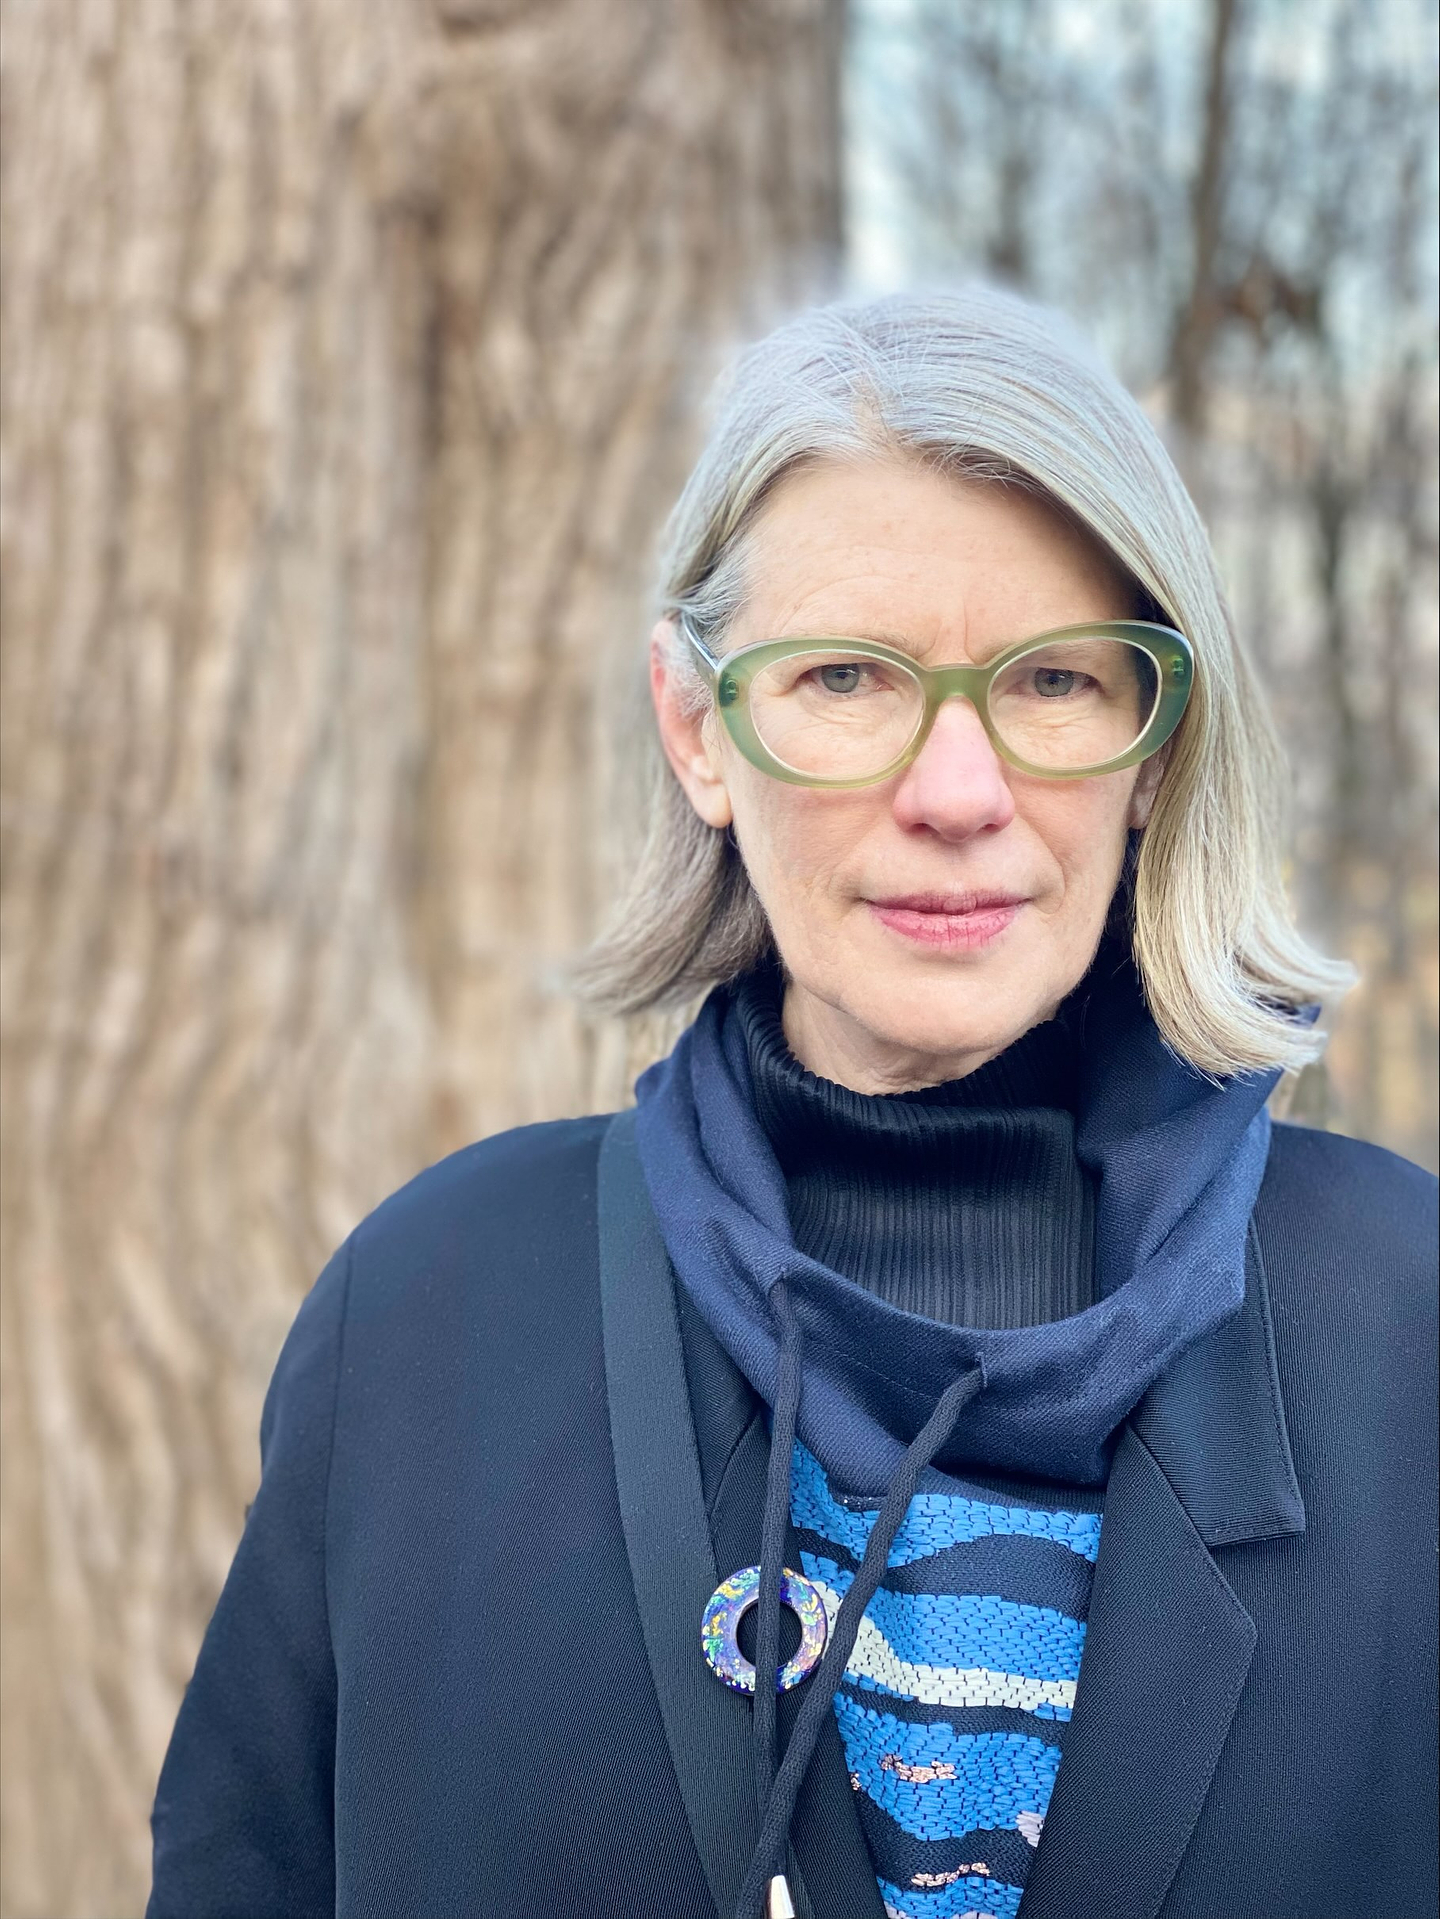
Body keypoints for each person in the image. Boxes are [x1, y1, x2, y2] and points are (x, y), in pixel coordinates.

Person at [146, 288, 1438, 1919]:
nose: (957, 794)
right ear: (699, 728)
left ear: (1155, 751)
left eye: (1052, 684)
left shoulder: (1403, 1323)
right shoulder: (427, 1315)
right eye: (844, 679)